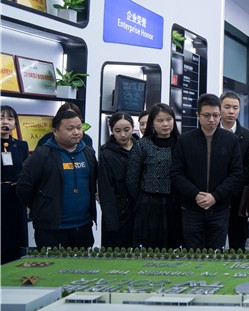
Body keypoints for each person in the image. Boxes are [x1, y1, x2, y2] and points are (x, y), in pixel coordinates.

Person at [171, 94, 243, 250]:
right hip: (191, 207)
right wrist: (195, 194)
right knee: (192, 254)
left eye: (216, 115)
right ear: (198, 115)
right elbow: (176, 174)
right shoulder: (185, 140)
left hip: (219, 208)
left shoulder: (231, 140)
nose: (212, 120)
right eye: (207, 115)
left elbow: (236, 173)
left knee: (216, 254)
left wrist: (215, 196)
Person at [17, 109, 97, 249]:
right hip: (51, 229)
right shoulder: (42, 154)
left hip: (83, 227)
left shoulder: (88, 152)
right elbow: (24, 188)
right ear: (55, 131)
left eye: (79, 128)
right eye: (70, 129)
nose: (76, 132)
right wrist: (43, 206)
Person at [126, 103, 182, 248]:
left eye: (169, 119)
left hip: (175, 202)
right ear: (152, 122)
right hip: (148, 204)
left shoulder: (181, 143)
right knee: (148, 248)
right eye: (160, 120)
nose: (165, 124)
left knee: (173, 246)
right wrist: (142, 199)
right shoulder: (142, 145)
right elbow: (132, 178)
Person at [219, 92, 249, 251]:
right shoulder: (210, 132)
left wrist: (232, 188)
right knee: (213, 243)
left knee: (237, 242)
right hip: (214, 195)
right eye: (227, 107)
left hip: (238, 197)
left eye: (235, 108)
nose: (231, 111)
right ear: (219, 108)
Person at [98, 112, 137, 248]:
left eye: (126, 130)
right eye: (118, 131)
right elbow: (106, 192)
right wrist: (112, 223)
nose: (123, 135)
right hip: (119, 214)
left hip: (140, 211)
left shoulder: (141, 149)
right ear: (111, 130)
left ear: (133, 128)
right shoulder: (106, 155)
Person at [1, 105, 29, 263]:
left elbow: (25, 170)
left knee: (16, 240)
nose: (5, 122)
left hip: (16, 195)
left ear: (15, 124)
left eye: (10, 119)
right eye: (1, 118)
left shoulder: (21, 145)